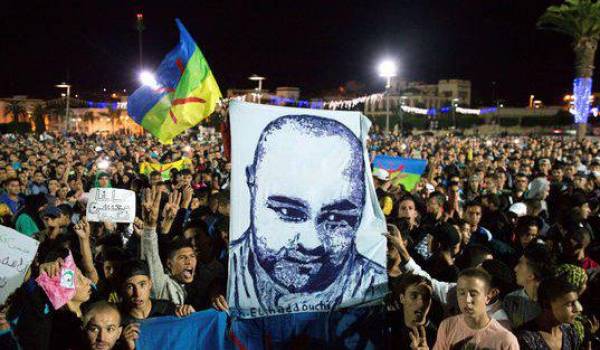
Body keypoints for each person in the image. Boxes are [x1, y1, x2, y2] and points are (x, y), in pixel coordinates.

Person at [227, 115, 386, 314]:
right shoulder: (220, 276)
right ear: (252, 185)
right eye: (288, 212)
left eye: (335, 219)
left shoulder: (379, 290)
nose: (312, 243)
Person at [432, 268, 519, 349]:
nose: (467, 300)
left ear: (488, 296)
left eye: (473, 294)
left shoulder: (506, 340)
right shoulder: (448, 326)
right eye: (462, 293)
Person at [119, 260, 194, 326]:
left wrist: (190, 314)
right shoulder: (117, 319)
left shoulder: (166, 309)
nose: (137, 294)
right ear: (122, 289)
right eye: (130, 287)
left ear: (150, 284)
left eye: (142, 284)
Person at [516, 275, 582, 350]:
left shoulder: (570, 333)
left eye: (576, 302)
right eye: (569, 304)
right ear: (547, 305)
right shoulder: (525, 338)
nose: (578, 309)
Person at [504, 243, 556, 328]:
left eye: (520, 264)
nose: (515, 268)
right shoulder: (511, 300)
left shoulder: (552, 305)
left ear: (531, 275)